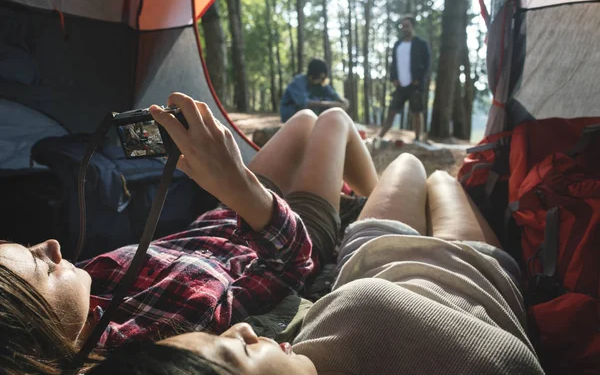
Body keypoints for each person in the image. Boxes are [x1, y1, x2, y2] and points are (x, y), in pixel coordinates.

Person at [0, 92, 378, 373]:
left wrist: (229, 187)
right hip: (285, 235)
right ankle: (382, 208)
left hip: (226, 213)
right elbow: (290, 265)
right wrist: (244, 190)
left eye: (30, 247)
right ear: (40, 343)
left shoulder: (84, 285)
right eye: (43, 268)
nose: (51, 245)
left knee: (304, 121)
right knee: (333, 121)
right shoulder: (156, 340)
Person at [89, 155, 545, 375]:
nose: (245, 331)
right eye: (238, 352)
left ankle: (366, 198)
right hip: (471, 269)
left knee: (408, 164)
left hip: (371, 253)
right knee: (443, 177)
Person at [378, 15, 430, 142]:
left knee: (416, 112)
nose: (405, 28)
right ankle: (380, 136)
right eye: (403, 26)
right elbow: (393, 63)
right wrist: (394, 79)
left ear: (412, 26)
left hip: (415, 85)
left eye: (407, 26)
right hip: (400, 85)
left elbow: (427, 64)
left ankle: (417, 138)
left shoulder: (421, 44)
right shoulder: (398, 45)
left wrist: (418, 79)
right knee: (391, 111)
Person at [279, 59, 349, 123]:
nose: (320, 80)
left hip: (310, 114)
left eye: (322, 78)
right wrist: (329, 104)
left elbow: (332, 94)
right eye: (319, 77)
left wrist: (342, 101)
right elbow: (303, 103)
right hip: (290, 113)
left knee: (327, 101)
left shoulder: (321, 84)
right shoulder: (298, 82)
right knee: (320, 102)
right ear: (312, 75)